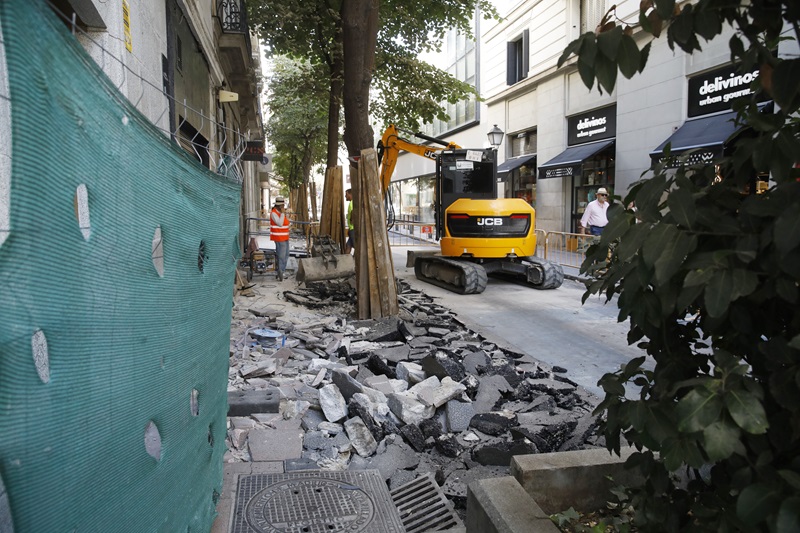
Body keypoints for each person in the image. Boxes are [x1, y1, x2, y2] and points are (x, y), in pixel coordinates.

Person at [270, 196, 290, 280]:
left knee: (286, 255)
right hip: (279, 237)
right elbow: (280, 223)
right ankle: (280, 272)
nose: (284, 207)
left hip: (284, 236)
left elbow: (286, 223)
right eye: (282, 206)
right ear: (279, 206)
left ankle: (282, 271)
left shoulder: (280, 213)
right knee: (281, 256)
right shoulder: (274, 213)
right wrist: (282, 214)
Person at [344, 188, 354, 255]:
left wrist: (351, 221)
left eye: (346, 194)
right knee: (348, 246)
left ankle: (356, 261)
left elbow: (353, 212)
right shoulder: (351, 203)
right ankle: (345, 261)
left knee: (357, 246)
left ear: (350, 194)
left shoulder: (352, 203)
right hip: (351, 229)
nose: (345, 196)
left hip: (353, 229)